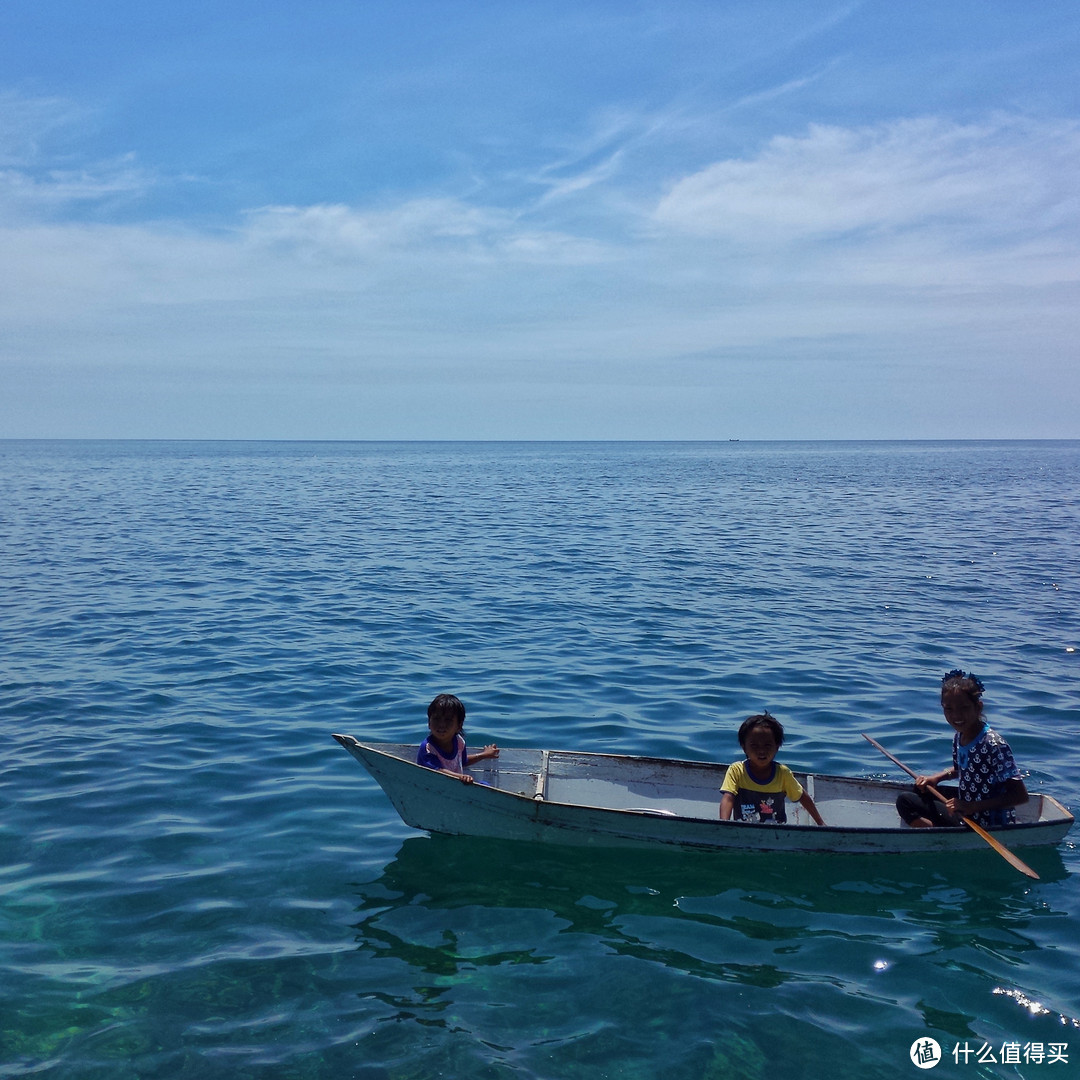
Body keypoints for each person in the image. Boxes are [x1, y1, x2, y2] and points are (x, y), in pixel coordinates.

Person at [896, 669, 1028, 829]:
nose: (956, 715)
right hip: (965, 808)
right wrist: (936, 778)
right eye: (948, 709)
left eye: (964, 708)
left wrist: (970, 807)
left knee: (905, 801)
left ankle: (937, 836)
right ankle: (937, 830)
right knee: (920, 791)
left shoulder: (993, 744)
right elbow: (962, 769)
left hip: (984, 821)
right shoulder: (960, 736)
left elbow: (1020, 796)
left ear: (978, 707)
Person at [719, 712, 825, 825]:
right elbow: (728, 798)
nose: (761, 751)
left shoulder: (783, 773)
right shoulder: (736, 771)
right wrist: (723, 825)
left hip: (776, 833)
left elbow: (802, 796)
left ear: (777, 747)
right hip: (743, 831)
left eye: (767, 745)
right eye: (754, 745)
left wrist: (820, 823)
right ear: (744, 747)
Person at [416, 693, 499, 784]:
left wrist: (484, 755)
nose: (441, 724)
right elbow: (437, 771)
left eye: (448, 720)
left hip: (455, 786)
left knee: (486, 785)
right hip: (434, 788)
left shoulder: (459, 742)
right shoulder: (428, 748)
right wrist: (461, 777)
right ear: (429, 722)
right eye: (436, 719)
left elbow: (462, 761)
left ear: (459, 725)